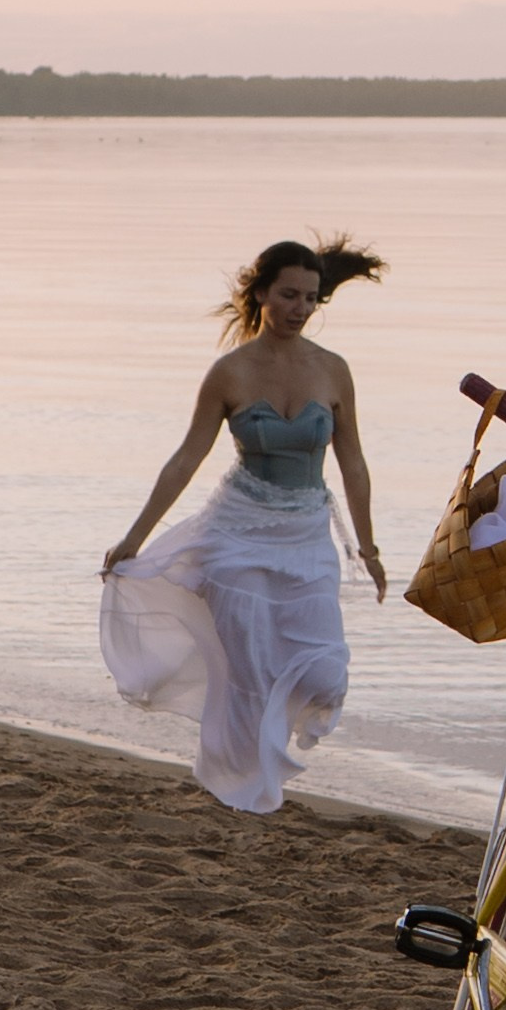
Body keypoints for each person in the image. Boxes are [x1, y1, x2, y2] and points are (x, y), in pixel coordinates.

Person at [99, 236, 387, 813]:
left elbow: (352, 459)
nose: (301, 309)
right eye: (288, 295)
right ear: (260, 294)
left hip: (306, 537)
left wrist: (368, 546)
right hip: (236, 534)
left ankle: (256, 765)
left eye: (311, 298)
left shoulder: (333, 371)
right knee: (251, 664)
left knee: (326, 674)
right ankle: (239, 779)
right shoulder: (228, 373)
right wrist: (134, 537)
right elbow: (186, 459)